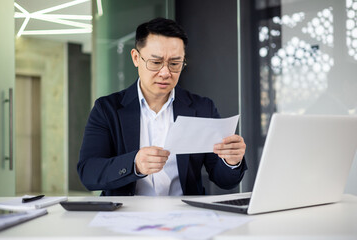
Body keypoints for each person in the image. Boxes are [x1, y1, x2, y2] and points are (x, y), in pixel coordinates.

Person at [77, 17, 247, 196]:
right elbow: (89, 173)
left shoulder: (202, 108)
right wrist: (134, 164)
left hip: (186, 216)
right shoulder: (107, 109)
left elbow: (225, 181)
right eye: (156, 63)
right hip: (126, 215)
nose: (165, 73)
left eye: (175, 64)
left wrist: (231, 161)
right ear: (136, 58)